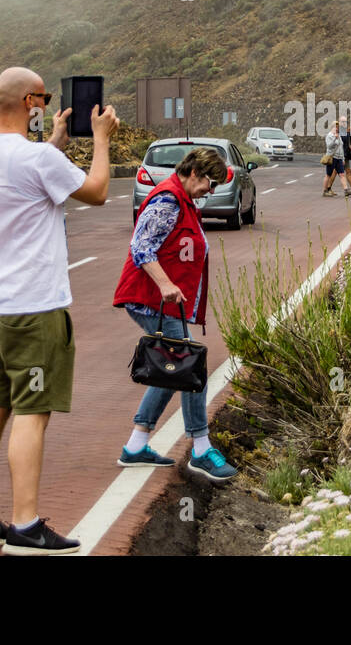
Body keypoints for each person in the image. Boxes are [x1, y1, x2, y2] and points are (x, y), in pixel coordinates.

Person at [0, 67, 119, 555]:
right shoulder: (34, 160)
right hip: (34, 309)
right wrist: (101, 139)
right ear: (31, 101)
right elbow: (96, 192)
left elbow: (26, 173)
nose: (47, 104)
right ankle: (26, 526)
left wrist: (51, 142)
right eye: (44, 98)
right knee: (33, 413)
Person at [112, 146, 239, 482]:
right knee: (189, 366)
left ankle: (137, 444)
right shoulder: (168, 200)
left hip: (163, 301)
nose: (210, 192)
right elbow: (141, 247)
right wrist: (166, 284)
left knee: (175, 368)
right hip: (150, 299)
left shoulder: (182, 200)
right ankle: (200, 448)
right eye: (209, 184)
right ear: (194, 173)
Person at [321, 121, 351, 197]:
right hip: (332, 157)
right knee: (328, 175)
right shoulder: (329, 135)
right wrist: (335, 138)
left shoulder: (339, 135)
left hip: (339, 158)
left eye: (338, 127)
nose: (337, 129)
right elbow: (329, 146)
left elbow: (341, 147)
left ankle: (346, 190)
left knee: (342, 174)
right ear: (333, 127)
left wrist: (343, 158)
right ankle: (325, 191)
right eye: (336, 127)